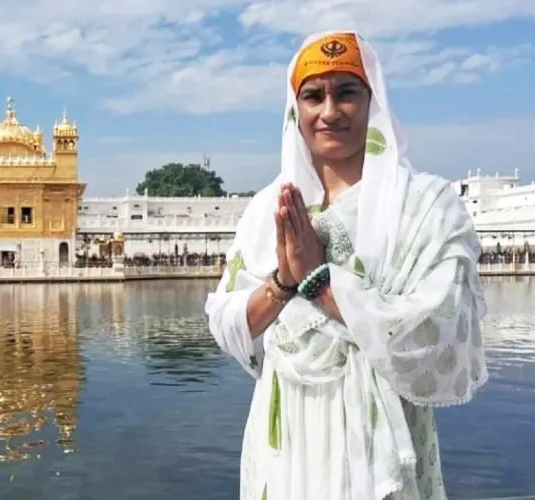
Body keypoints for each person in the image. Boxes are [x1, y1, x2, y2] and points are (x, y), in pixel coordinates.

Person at [205, 31, 488, 500]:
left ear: (372, 102)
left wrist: (320, 282)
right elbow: (229, 325)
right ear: (295, 110)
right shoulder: (267, 209)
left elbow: (438, 331)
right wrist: (283, 281)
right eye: (314, 95)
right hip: (288, 436)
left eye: (347, 93)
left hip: (379, 443)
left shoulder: (424, 207)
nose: (329, 111)